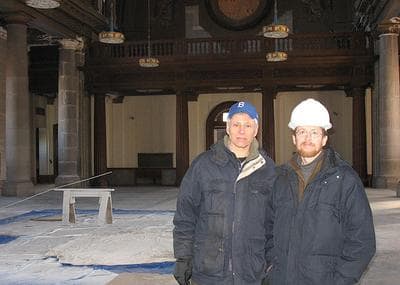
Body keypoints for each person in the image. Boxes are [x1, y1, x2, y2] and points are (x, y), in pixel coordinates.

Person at [268, 98, 376, 285]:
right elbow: (266, 228)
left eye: (314, 132)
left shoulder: (345, 180)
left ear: (324, 138)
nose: (308, 138)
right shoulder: (279, 178)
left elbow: (362, 241)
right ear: (294, 138)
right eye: (302, 132)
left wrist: (340, 280)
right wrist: (271, 267)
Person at [173, 101, 276, 285]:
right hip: (209, 272)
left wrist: (272, 264)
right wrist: (183, 258)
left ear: (256, 129)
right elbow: (185, 216)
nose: (241, 130)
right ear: (228, 127)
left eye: (247, 125)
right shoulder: (203, 165)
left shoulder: (268, 170)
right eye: (236, 124)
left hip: (251, 272)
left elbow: (273, 224)